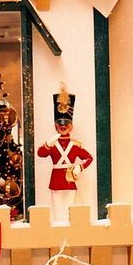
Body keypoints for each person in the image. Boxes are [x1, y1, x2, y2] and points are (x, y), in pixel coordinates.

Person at [36, 89, 92, 224]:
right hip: (55, 180)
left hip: (69, 180)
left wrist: (80, 167)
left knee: (68, 213)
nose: (63, 127)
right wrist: (48, 144)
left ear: (70, 126)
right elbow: (40, 154)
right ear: (56, 125)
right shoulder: (53, 143)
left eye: (66, 124)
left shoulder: (75, 144)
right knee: (57, 214)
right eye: (60, 124)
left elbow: (89, 157)